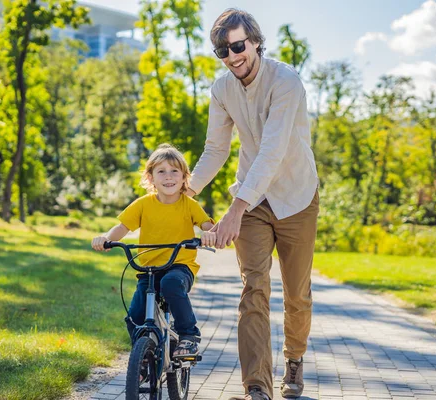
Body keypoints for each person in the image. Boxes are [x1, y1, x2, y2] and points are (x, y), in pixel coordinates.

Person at [187, 8, 320, 400]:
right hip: (255, 200)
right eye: (223, 51)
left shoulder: (286, 82)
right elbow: (215, 149)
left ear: (256, 41)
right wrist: (184, 192)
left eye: (238, 46)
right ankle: (257, 387)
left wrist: (233, 210)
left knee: (297, 293)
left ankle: (294, 359)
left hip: (296, 197)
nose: (232, 56)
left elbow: (272, 152)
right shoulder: (221, 89)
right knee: (253, 291)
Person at [92, 144, 216, 358]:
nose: (168, 177)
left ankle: (188, 335)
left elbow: (206, 225)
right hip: (149, 269)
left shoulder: (189, 205)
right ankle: (142, 361)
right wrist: (106, 238)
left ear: (184, 176)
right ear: (150, 178)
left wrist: (209, 234)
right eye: (161, 171)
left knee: (171, 284)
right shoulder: (143, 204)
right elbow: (122, 227)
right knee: (135, 317)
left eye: (174, 171)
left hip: (180, 266)